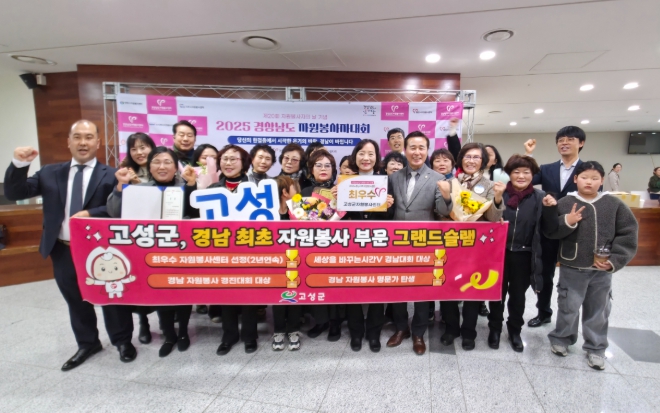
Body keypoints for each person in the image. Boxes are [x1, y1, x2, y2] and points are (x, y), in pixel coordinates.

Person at [4, 120, 137, 371]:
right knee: (75, 299)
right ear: (68, 142)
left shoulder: (112, 174)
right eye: (77, 137)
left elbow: (120, 209)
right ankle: (88, 343)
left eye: (88, 137)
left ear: (97, 142)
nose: (83, 142)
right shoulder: (49, 172)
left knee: (111, 297)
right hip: (63, 248)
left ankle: (122, 341)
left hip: (101, 251)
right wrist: (19, 164)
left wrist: (91, 213)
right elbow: (15, 193)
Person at [541, 161, 638, 370]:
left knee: (599, 310)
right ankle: (562, 338)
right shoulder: (565, 202)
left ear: (602, 180)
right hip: (572, 266)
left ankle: (596, 348)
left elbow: (628, 233)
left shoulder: (613, 204)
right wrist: (568, 221)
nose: (589, 182)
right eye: (584, 177)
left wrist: (615, 260)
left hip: (601, 270)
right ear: (576, 179)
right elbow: (550, 231)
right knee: (568, 306)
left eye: (595, 178)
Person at [108, 147, 198, 357]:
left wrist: (192, 186)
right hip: (150, 253)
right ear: (149, 167)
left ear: (175, 167)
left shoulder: (185, 187)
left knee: (183, 292)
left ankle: (183, 332)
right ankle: (169, 335)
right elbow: (115, 213)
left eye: (168, 162)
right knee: (159, 293)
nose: (162, 166)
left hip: (180, 251)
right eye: (156, 162)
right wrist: (121, 187)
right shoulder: (138, 189)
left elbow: (196, 215)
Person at [385, 131, 452, 355]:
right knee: (397, 287)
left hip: (424, 242)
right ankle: (401, 328)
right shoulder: (393, 177)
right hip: (396, 242)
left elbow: (443, 211)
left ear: (427, 150)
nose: (417, 152)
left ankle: (419, 332)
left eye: (421, 148)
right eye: (412, 147)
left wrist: (447, 196)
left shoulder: (437, 178)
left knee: (423, 290)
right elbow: (390, 209)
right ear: (405, 150)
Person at [440, 143, 505, 350]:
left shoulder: (490, 185)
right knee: (448, 286)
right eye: (467, 156)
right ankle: (451, 328)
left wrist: (497, 197)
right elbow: (440, 212)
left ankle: (469, 331)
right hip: (451, 242)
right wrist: (446, 198)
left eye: (476, 157)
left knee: (473, 288)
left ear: (483, 161)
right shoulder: (450, 182)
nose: (471, 161)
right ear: (460, 159)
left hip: (477, 246)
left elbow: (493, 218)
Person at [523, 126, 586, 328]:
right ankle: (544, 312)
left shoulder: (587, 171)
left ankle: (569, 318)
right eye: (560, 140)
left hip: (575, 228)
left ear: (581, 143)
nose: (564, 143)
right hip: (549, 228)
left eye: (570, 139)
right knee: (545, 272)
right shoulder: (547, 168)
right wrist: (528, 155)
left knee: (573, 275)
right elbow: (526, 180)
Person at [487, 155, 544, 352]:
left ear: (533, 175)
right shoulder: (499, 194)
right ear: (508, 174)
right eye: (516, 172)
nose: (521, 176)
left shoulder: (540, 197)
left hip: (525, 254)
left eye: (526, 172)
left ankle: (514, 330)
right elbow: (487, 219)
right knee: (496, 294)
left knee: (518, 296)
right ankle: (494, 328)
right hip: (499, 254)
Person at [341, 139, 393, 352]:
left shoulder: (385, 182)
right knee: (352, 289)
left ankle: (373, 333)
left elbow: (391, 218)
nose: (366, 158)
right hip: (352, 244)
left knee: (376, 290)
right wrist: (336, 201)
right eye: (362, 153)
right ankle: (356, 333)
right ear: (355, 156)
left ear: (376, 158)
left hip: (378, 243)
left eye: (371, 154)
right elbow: (338, 217)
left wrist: (388, 206)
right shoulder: (345, 182)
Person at [208, 145, 260, 355]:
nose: (228, 163)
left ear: (244, 163)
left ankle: (250, 335)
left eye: (233, 159)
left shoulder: (256, 188)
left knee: (250, 295)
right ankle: (229, 335)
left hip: (250, 249)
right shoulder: (212, 189)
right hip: (221, 250)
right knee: (226, 294)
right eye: (224, 159)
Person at [300, 149, 343, 341]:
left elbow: (349, 218)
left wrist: (339, 200)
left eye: (327, 165)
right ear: (311, 169)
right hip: (313, 247)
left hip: (336, 245)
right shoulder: (304, 192)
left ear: (333, 170)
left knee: (334, 284)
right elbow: (299, 220)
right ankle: (320, 321)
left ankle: (335, 323)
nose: (323, 169)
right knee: (315, 283)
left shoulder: (340, 190)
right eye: (318, 165)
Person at [119, 133, 157, 343]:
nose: (139, 152)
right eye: (134, 149)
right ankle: (143, 322)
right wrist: (126, 185)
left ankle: (167, 319)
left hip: (162, 235)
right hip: (137, 236)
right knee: (140, 279)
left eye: (143, 147)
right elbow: (115, 207)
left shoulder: (163, 166)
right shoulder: (124, 172)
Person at [272, 175, 304, 351]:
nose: (298, 191)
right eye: (294, 188)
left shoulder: (299, 209)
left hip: (296, 260)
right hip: (275, 263)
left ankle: (293, 330)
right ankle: (278, 331)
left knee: (294, 297)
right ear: (285, 192)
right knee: (277, 298)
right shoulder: (268, 212)